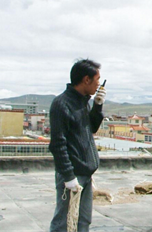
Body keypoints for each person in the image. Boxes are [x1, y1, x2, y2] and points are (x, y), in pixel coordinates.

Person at [49, 59, 106, 232]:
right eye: (97, 80)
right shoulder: (62, 104)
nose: (98, 84)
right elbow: (58, 145)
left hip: (85, 174)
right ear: (86, 80)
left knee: (82, 222)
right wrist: (68, 176)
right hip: (73, 175)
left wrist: (97, 106)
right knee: (64, 223)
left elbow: (91, 129)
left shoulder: (83, 102)